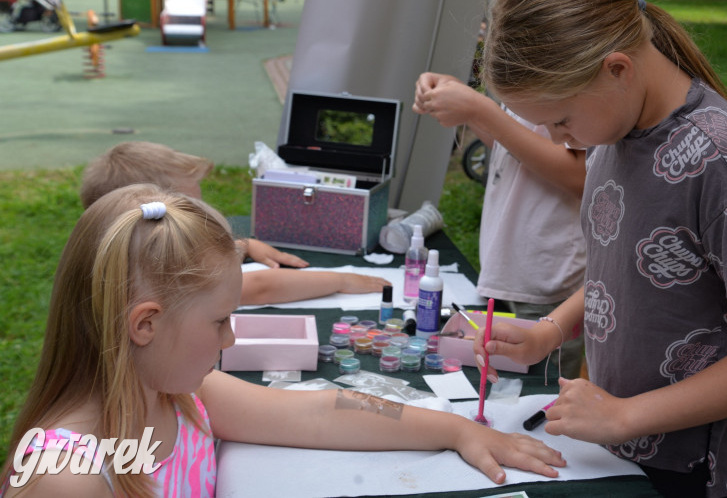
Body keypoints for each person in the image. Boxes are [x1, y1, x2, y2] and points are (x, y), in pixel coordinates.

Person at [474, 0, 727, 497]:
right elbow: (632, 270)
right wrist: (551, 329)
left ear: (617, 69)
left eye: (561, 119)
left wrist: (623, 417)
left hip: (700, 470)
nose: (559, 139)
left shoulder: (721, 163)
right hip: (627, 447)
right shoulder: (615, 131)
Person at [0, 184, 565, 496]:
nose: (232, 335)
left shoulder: (183, 397)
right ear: (144, 325)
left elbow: (327, 410)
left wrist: (454, 429)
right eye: (219, 320)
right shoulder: (65, 477)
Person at [412, 0, 610, 378]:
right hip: (516, 269)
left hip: (555, 282)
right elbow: (526, 144)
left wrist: (481, 111)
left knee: (538, 416)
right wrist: (468, 108)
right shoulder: (539, 28)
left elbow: (582, 174)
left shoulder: (584, 38)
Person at [80, 141, 390, 306]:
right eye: (191, 209)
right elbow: (257, 287)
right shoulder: (152, 263)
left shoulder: (126, 245)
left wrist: (244, 246)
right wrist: (341, 281)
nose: (200, 216)